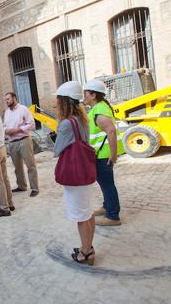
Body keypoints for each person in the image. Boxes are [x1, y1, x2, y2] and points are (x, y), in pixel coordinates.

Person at [53, 81, 96, 265]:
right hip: (84, 171)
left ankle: (85, 252)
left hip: (74, 174)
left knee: (80, 216)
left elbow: (57, 149)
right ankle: (89, 246)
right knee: (88, 212)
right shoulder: (82, 119)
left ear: (64, 102)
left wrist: (55, 139)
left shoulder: (65, 124)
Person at [83, 79, 125, 226]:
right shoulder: (98, 107)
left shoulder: (99, 110)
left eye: (86, 93)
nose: (84, 96)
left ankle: (113, 216)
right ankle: (107, 206)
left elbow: (111, 131)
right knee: (104, 183)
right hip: (101, 154)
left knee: (107, 184)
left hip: (104, 155)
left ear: (93, 95)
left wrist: (113, 155)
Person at [3, 92, 39, 197]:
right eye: (5, 99)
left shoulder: (23, 109)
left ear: (14, 98)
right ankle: (22, 186)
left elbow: (32, 125)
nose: (7, 101)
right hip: (12, 142)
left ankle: (35, 188)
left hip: (24, 140)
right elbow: (4, 126)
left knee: (30, 165)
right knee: (17, 167)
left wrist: (18, 129)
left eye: (8, 99)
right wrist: (6, 130)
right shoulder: (6, 113)